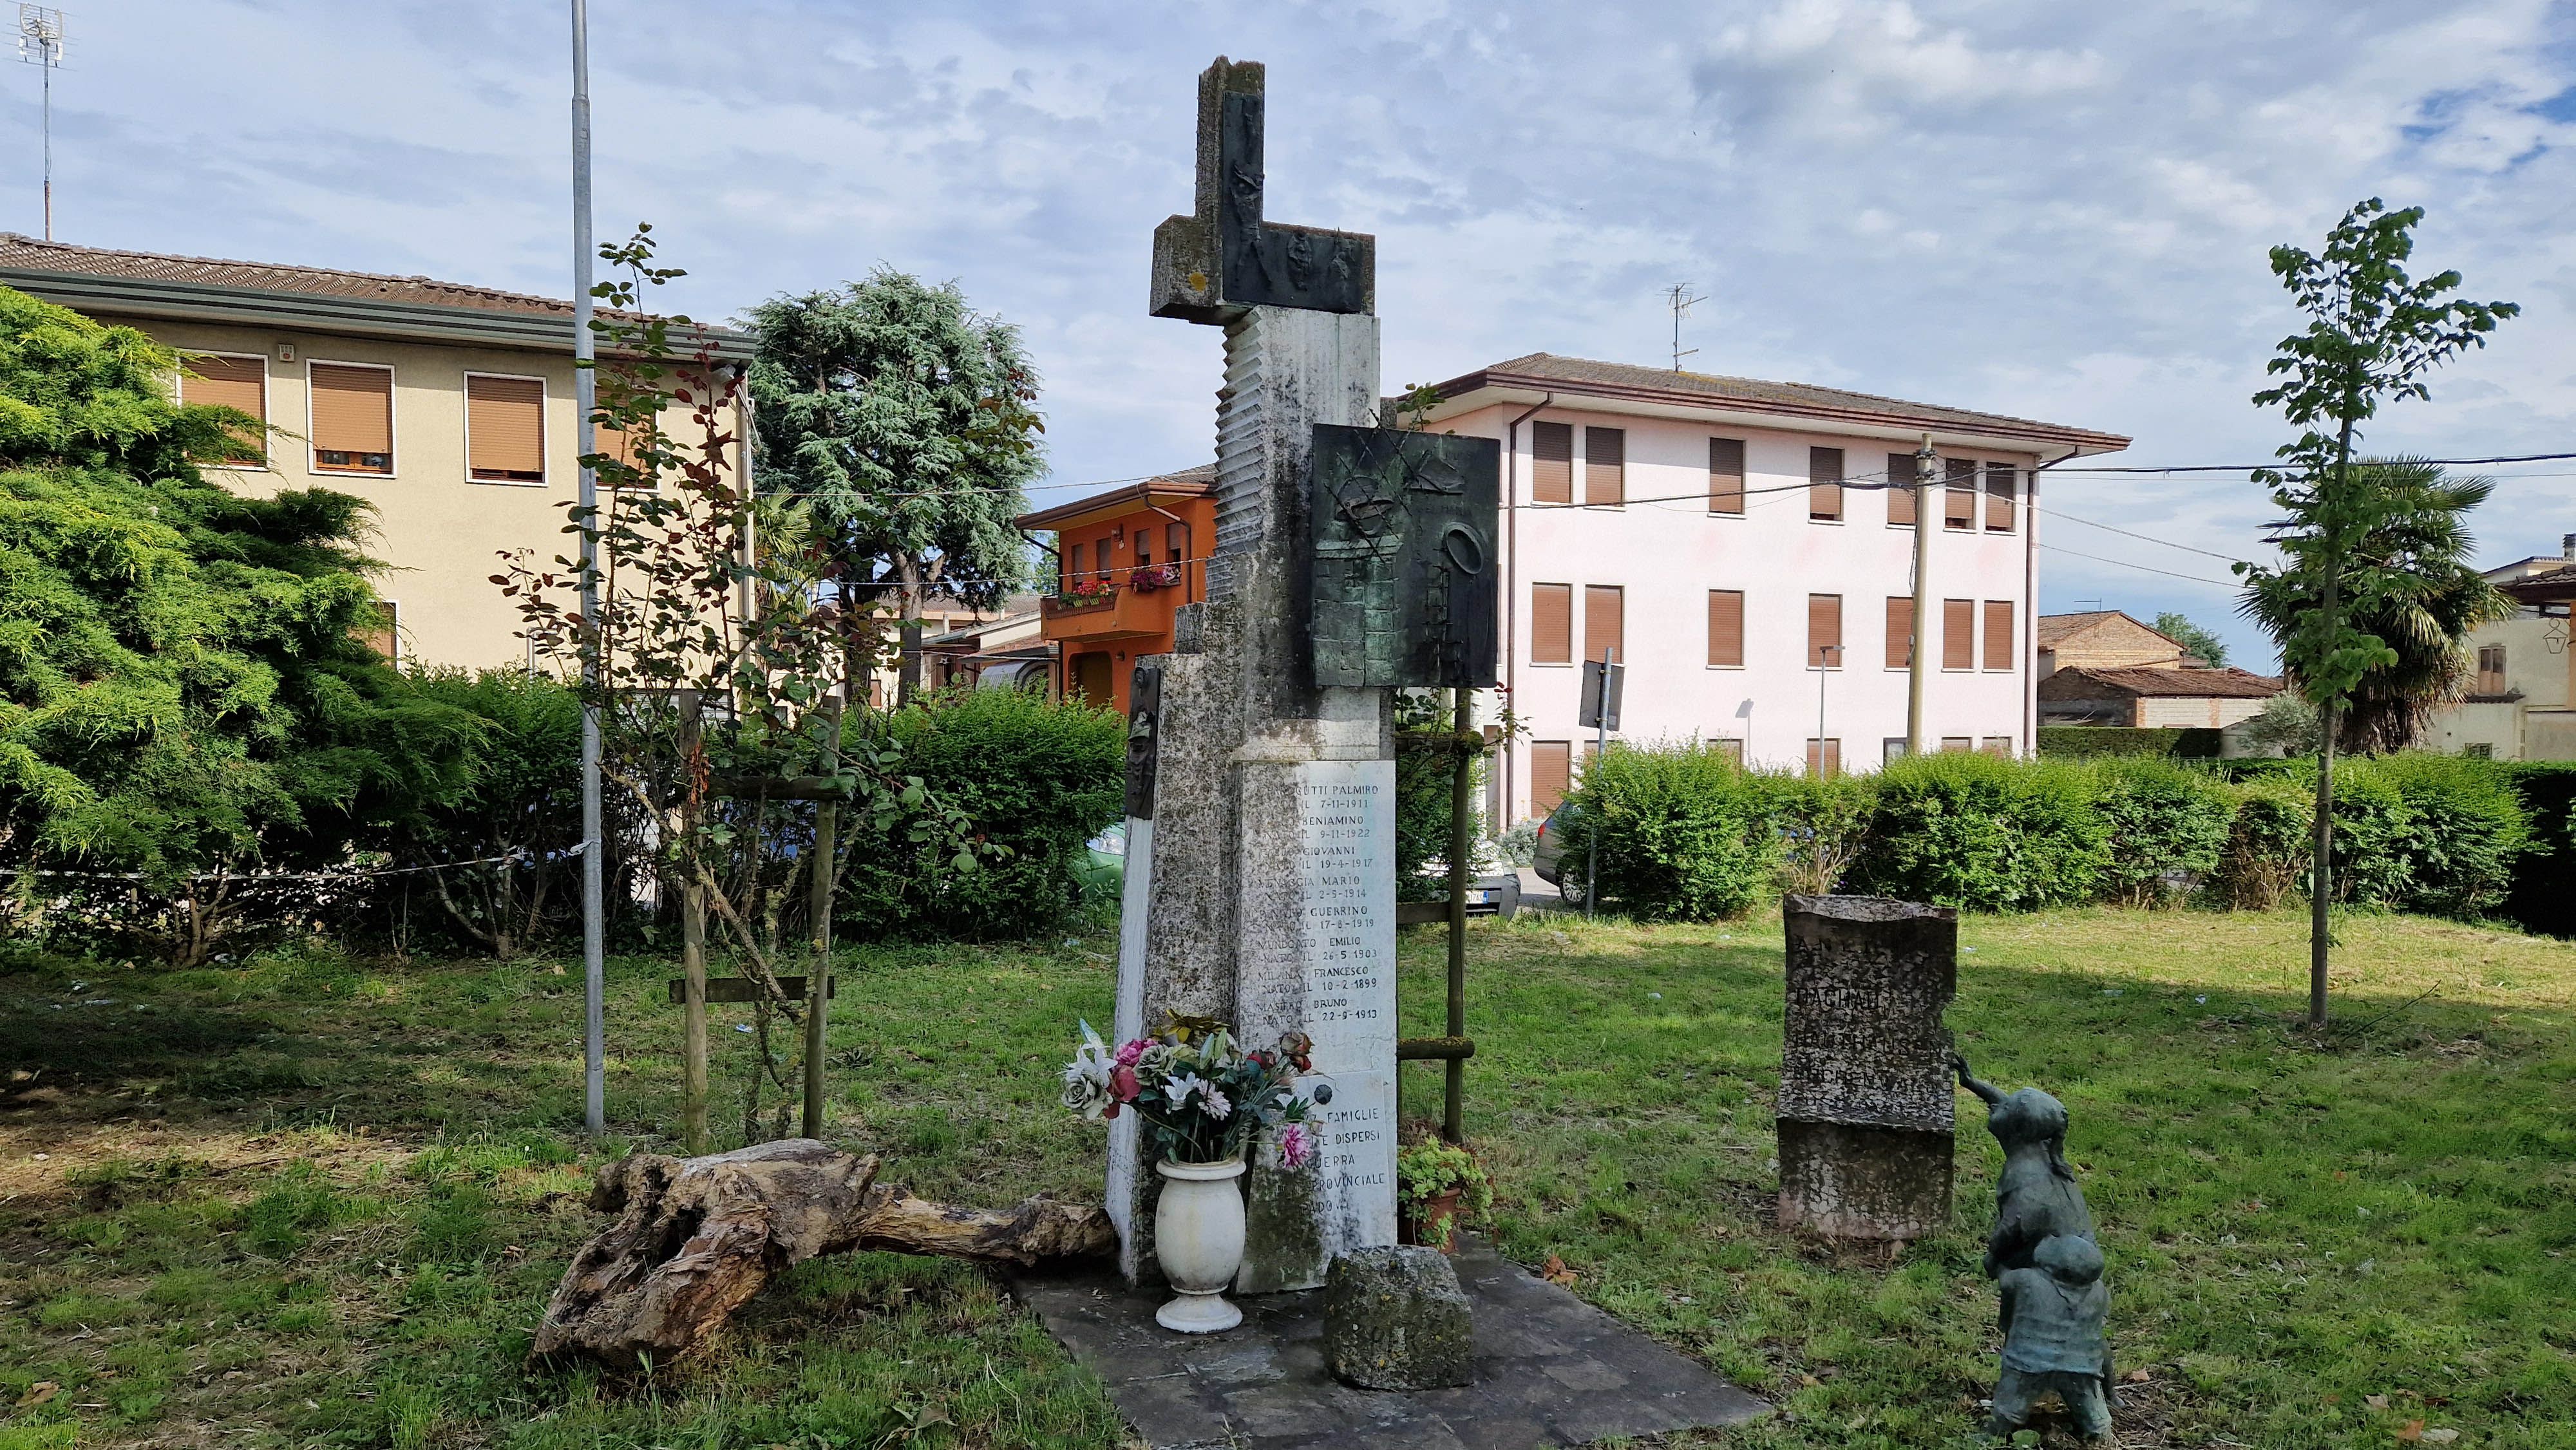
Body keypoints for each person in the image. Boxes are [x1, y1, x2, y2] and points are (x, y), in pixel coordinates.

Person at [1991, 1234, 2114, 1441]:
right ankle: (2099, 1433)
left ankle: (1995, 1433)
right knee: (2092, 1409)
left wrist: (1998, 1262)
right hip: (2081, 1366)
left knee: (2009, 1405)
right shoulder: (2099, 1292)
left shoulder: (2026, 1280)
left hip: (2029, 1362)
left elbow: (2004, 1280)